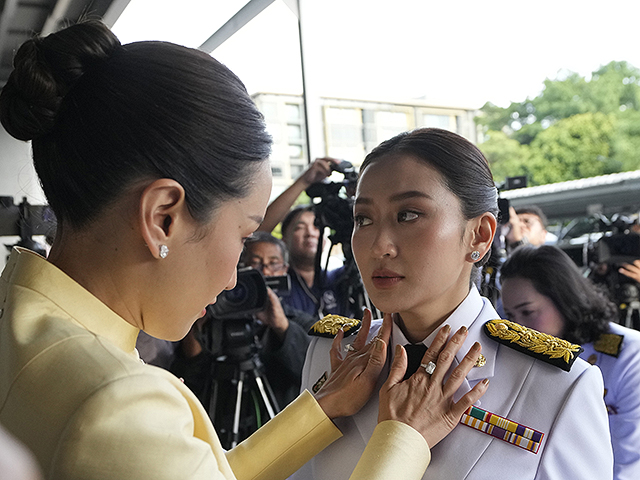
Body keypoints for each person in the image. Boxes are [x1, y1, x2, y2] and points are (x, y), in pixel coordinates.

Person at [0, 21, 488, 480]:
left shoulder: (17, 323)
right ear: (162, 217)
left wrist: (319, 411)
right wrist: (402, 440)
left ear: (481, 236)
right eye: (243, 235)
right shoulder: (116, 401)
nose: (235, 278)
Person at [295, 128, 614, 480]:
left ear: (479, 234)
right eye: (363, 219)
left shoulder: (556, 385)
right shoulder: (332, 355)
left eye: (409, 215)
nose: (379, 246)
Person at [500, 245, 640, 480]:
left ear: (563, 298)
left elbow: (630, 462)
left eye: (528, 312)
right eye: (511, 317)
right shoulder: (519, 355)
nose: (520, 328)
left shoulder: (629, 355)